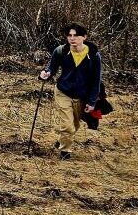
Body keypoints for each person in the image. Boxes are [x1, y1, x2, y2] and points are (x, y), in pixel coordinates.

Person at [38, 23, 102, 159]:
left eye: (76, 35)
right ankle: (65, 152)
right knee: (68, 126)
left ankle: (62, 140)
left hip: (81, 96)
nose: (72, 39)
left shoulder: (94, 55)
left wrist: (91, 102)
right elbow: (52, 68)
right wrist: (46, 73)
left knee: (75, 125)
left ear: (84, 37)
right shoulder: (60, 51)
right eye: (69, 35)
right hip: (63, 91)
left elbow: (96, 81)